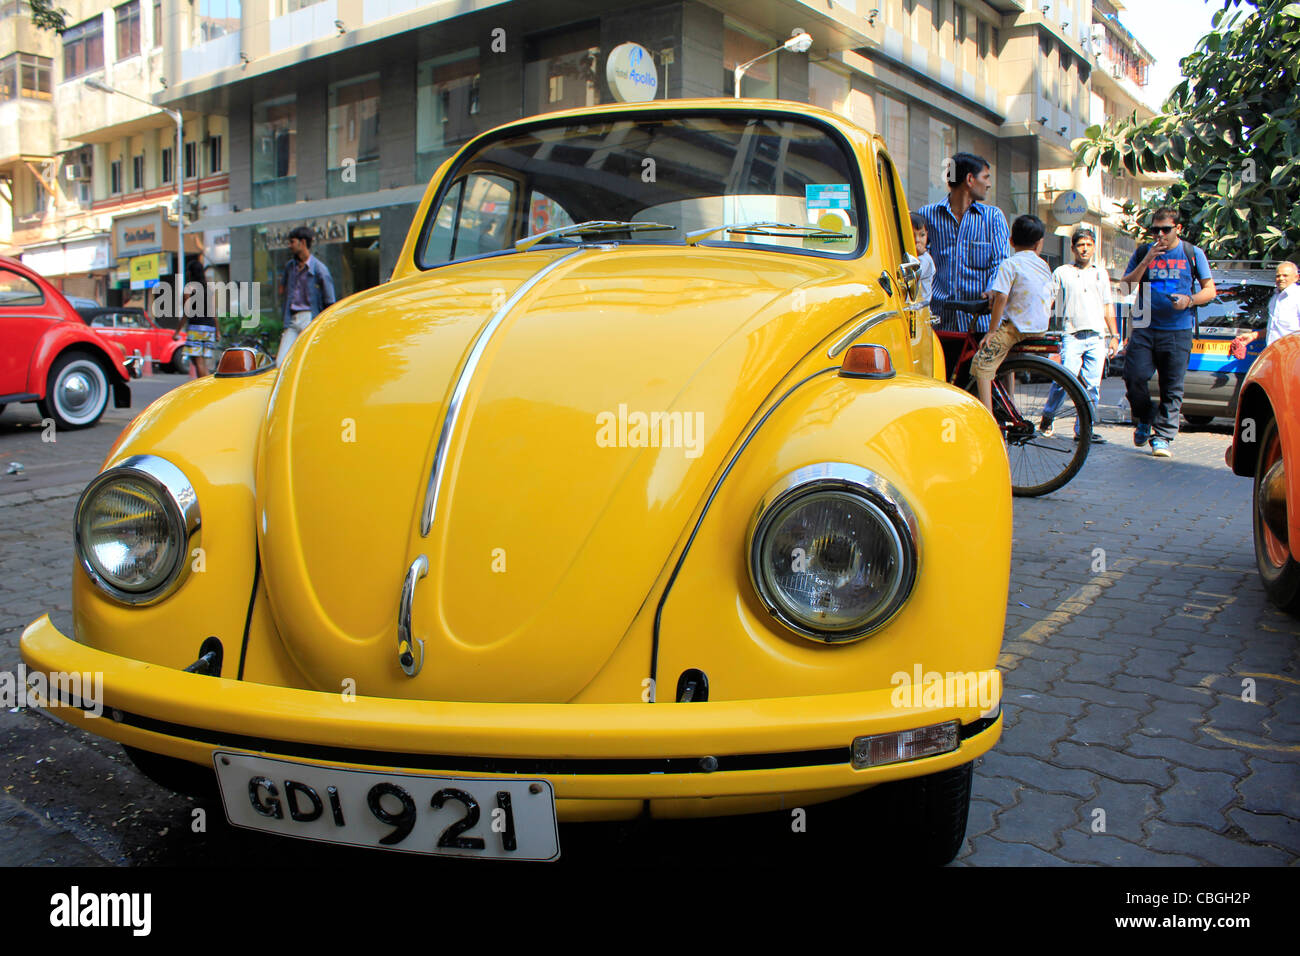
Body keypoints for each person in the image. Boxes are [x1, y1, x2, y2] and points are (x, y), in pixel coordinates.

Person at [1119, 207, 1215, 459]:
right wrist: (1147, 260)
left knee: (1172, 387)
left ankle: (1162, 436)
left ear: (1178, 229)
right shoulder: (1143, 252)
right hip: (1144, 325)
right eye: (1155, 230)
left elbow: (1210, 291)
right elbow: (1125, 288)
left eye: (1166, 229)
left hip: (1178, 329)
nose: (1159, 234)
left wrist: (1189, 300)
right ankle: (1145, 416)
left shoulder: (1192, 254)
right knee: (1133, 376)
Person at [1040, 227, 1119, 444]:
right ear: (1073, 249)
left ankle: (1084, 428)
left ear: (1094, 247)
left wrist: (1114, 335)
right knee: (1065, 379)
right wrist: (1039, 326)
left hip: (1096, 336)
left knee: (1092, 385)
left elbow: (1107, 306)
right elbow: (1049, 301)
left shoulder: (1100, 274)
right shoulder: (1062, 272)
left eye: (1089, 245)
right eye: (1080, 245)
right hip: (1071, 335)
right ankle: (1048, 415)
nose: (1085, 249)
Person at [920, 152, 1011, 333]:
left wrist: (993, 288)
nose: (988, 184)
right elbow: (917, 259)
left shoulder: (993, 217)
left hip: (980, 324)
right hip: (937, 322)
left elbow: (1001, 263)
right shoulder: (927, 215)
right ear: (970, 179)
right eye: (985, 177)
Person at [972, 214, 1053, 415]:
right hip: (1040, 326)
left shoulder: (1010, 264)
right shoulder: (1044, 265)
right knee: (1004, 359)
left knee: (982, 363)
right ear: (1039, 244)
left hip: (1017, 327)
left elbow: (1001, 298)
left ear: (1011, 241)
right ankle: (1010, 403)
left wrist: (991, 331)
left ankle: (987, 416)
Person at [276, 226, 336, 365]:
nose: (289, 246)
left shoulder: (319, 269)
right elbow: (282, 289)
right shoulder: (290, 267)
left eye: (292, 242)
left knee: (308, 360)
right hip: (292, 318)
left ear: (302, 243)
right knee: (281, 362)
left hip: (309, 318)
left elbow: (330, 300)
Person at [1230, 260, 1299, 354]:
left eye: (1285, 275)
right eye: (1278, 276)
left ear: (1296, 277)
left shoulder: (1297, 297)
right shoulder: (1275, 298)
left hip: (1292, 355)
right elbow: (1274, 328)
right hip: (1273, 353)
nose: (1281, 278)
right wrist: (1253, 336)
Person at [178, 243, 215, 377]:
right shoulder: (208, 288)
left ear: (190, 273)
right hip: (209, 327)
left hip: (196, 327)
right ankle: (207, 385)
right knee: (202, 361)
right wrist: (218, 331)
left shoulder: (189, 288)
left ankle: (204, 388)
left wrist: (178, 330)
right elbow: (213, 311)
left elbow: (187, 312)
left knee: (198, 360)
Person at [909, 212, 935, 305]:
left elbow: (914, 274)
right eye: (912, 235)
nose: (917, 240)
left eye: (922, 235)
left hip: (922, 308)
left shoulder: (925, 259)